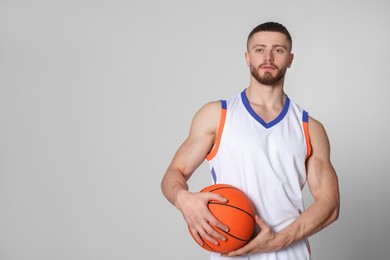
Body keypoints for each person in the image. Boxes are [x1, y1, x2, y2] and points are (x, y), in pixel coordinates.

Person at [161, 21, 340, 260]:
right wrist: (184, 200)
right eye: (259, 49)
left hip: (289, 254)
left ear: (290, 59)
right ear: (247, 57)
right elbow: (174, 173)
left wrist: (279, 241)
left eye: (278, 50)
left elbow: (330, 205)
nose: (268, 57)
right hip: (232, 253)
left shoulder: (310, 128)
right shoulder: (217, 115)